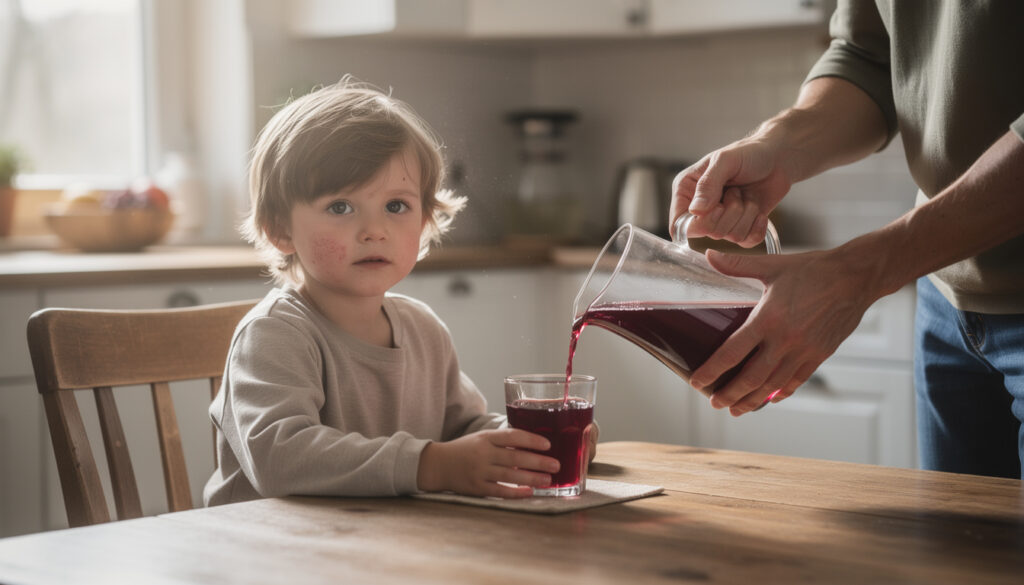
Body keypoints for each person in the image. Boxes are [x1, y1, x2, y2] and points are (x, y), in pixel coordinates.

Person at [668, 1, 1024, 479]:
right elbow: (867, 56)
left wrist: (863, 272)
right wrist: (775, 147)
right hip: (945, 305)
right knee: (957, 550)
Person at [205, 78, 597, 505]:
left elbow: (462, 430)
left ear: (425, 218)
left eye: (397, 206)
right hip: (267, 557)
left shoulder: (422, 328)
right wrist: (431, 466)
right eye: (340, 207)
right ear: (280, 230)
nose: (375, 231)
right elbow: (278, 458)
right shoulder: (274, 335)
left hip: (373, 549)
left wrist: (528, 446)